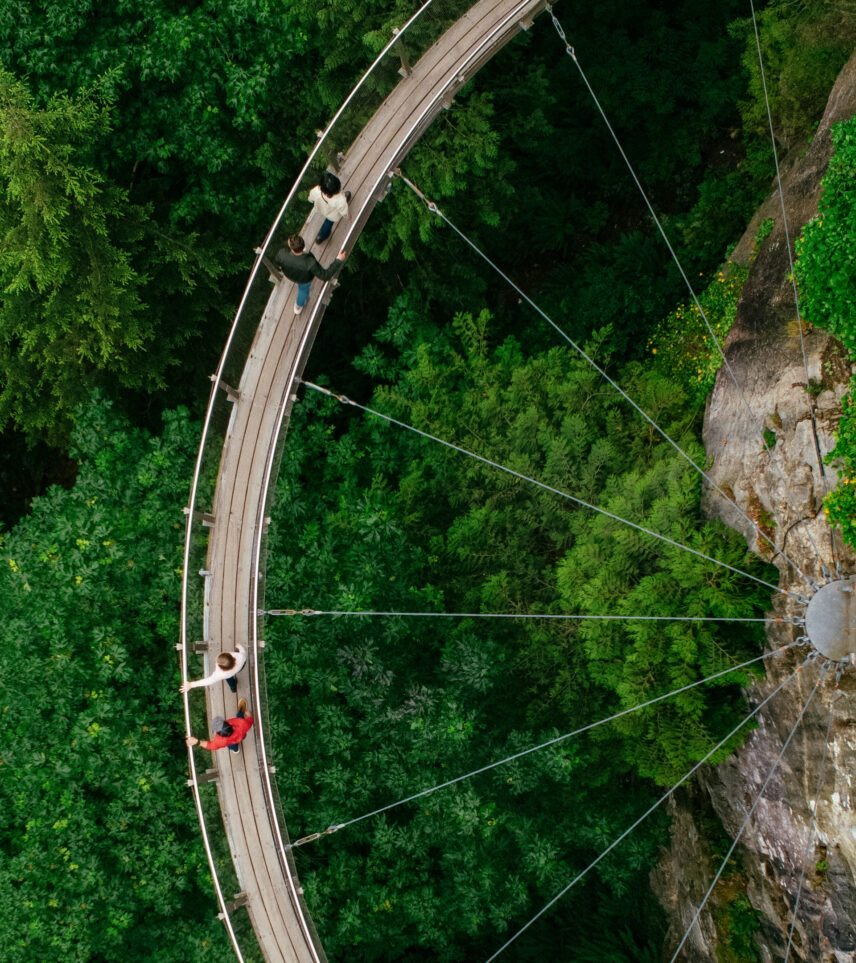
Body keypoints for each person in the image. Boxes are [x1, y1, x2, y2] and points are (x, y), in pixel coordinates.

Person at [272, 234, 347, 315]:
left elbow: (277, 264)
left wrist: (280, 269)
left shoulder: (282, 253)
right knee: (303, 291)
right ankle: (298, 306)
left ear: (291, 247)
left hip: (289, 275)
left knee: (302, 290)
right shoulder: (310, 262)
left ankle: (298, 308)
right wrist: (338, 260)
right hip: (304, 280)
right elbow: (325, 276)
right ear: (303, 245)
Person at [186, 699, 253, 754]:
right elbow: (250, 722)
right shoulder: (242, 724)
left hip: (229, 742)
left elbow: (210, 746)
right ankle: (240, 712)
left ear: (219, 733)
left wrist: (198, 742)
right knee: (240, 718)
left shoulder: (220, 741)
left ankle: (235, 750)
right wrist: (249, 716)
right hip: (241, 735)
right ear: (230, 725)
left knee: (232, 746)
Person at [180, 643, 246, 695]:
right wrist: (240, 646)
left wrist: (191, 685)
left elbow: (208, 681)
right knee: (229, 676)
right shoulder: (240, 656)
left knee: (228, 678)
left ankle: (233, 687)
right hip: (240, 667)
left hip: (228, 674)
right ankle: (233, 687)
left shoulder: (220, 674)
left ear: (221, 667)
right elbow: (243, 652)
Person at [308, 171, 351, 244]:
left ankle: (321, 237)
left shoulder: (316, 190)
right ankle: (321, 236)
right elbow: (344, 211)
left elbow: (311, 198)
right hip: (333, 214)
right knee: (329, 221)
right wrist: (348, 217)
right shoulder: (340, 200)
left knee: (328, 223)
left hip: (321, 208)